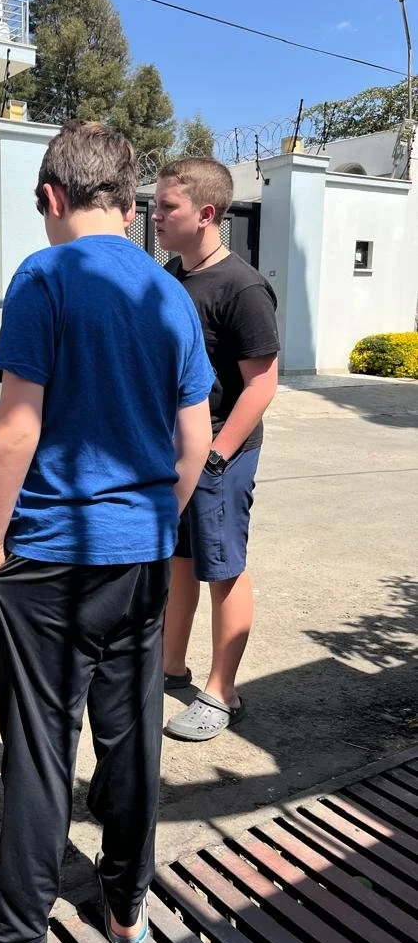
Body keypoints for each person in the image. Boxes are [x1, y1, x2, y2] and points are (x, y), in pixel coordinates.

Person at [0, 121, 214, 943]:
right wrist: (154, 520)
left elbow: (16, 425)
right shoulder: (169, 295)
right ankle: (127, 908)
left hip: (52, 557)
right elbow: (196, 439)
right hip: (141, 555)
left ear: (53, 197)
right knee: (131, 738)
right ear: (128, 204)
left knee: (41, 750)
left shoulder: (45, 276)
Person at [154, 158, 279, 742]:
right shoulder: (172, 276)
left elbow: (262, 384)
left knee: (223, 568)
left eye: (167, 207)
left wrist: (216, 455)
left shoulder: (242, 287)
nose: (156, 216)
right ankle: (169, 666)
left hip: (221, 452)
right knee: (180, 560)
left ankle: (222, 691)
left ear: (205, 214)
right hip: (179, 449)